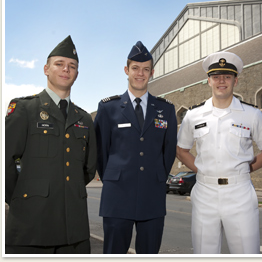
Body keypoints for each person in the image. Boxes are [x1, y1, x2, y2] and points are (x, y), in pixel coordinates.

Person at [176, 51, 262, 254]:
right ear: (209, 81)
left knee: (246, 253)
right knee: (204, 253)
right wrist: (202, 169)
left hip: (240, 193)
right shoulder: (193, 116)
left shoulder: (252, 115)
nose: (222, 81)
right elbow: (181, 150)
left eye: (227, 76)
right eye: (216, 77)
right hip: (205, 192)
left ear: (235, 81)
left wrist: (247, 168)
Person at [5, 35, 97, 254]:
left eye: (72, 66)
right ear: (46, 69)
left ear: (76, 74)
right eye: (59, 64)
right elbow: (6, 161)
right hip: (31, 226)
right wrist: (23, 199)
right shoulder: (24, 109)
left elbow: (88, 169)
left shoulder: (84, 119)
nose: (66, 69)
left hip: (73, 232)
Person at [94, 41, 177, 254]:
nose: (140, 73)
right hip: (117, 194)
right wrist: (114, 177)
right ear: (126, 70)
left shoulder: (165, 109)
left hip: (152, 195)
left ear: (152, 72)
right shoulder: (108, 108)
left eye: (146, 69)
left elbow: (167, 152)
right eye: (135, 68)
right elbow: (101, 152)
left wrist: (156, 175)